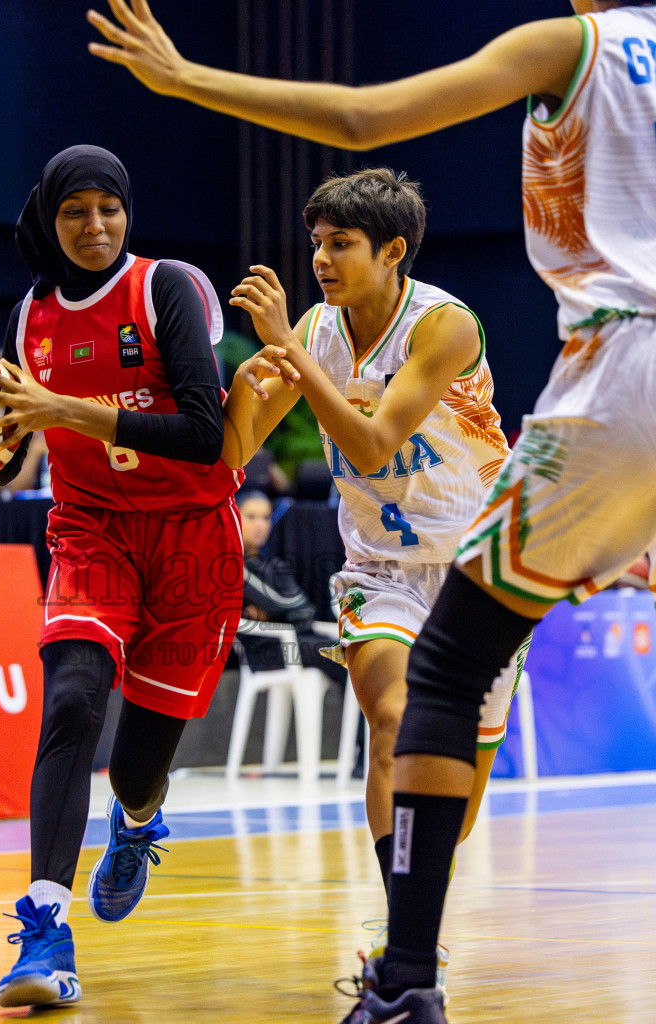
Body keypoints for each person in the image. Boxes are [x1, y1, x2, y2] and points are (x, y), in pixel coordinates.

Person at [91, 3, 656, 1023]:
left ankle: (403, 981)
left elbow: (362, 117)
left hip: (638, 364)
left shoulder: (576, 44)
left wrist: (188, 80)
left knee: (444, 664)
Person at [222, 169, 520, 976]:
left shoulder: (446, 328)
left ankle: (416, 908)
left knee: (451, 783)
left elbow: (373, 442)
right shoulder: (316, 331)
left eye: (340, 244)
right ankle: (405, 937)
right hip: (379, 566)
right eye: (317, 242)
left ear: (393, 252)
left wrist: (283, 344)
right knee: (392, 723)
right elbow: (235, 454)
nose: (321, 258)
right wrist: (232, 396)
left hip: (476, 567)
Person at [0, 145, 241, 1010]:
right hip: (91, 529)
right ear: (50, 221)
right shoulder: (27, 319)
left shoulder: (164, 290)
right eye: (76, 212)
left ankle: (136, 821)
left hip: (193, 536)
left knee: (135, 767)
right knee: (73, 698)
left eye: (109, 209)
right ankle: (45, 931)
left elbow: (205, 431)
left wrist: (68, 411)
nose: (95, 226)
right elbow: (16, 449)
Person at [235, 488, 346, 685]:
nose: (259, 525)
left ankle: (362, 717)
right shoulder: (233, 566)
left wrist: (270, 613)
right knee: (345, 656)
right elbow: (286, 605)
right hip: (266, 650)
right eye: (251, 517)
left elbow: (304, 609)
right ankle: (363, 717)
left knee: (358, 651)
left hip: (295, 640)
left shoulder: (272, 564)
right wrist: (275, 613)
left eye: (265, 517)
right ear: (234, 517)